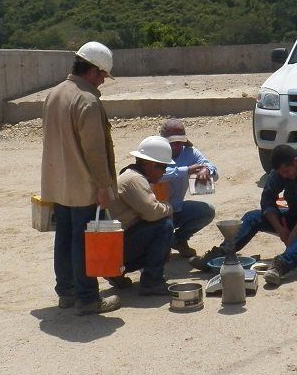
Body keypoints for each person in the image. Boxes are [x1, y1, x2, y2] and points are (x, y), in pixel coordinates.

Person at [39, 41, 120, 315]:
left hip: (59, 184)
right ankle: (87, 297)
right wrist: (102, 186)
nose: (103, 82)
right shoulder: (87, 99)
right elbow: (95, 151)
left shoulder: (54, 94)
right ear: (95, 71)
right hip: (83, 183)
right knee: (83, 240)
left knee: (64, 238)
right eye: (103, 76)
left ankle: (67, 293)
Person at [221, 144, 297, 288]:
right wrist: (281, 229)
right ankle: (223, 253)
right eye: (281, 173)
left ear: (296, 161)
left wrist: (293, 234)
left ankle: (281, 265)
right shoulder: (280, 171)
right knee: (252, 217)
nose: (285, 176)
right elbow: (267, 199)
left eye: (287, 171)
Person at [107, 136, 175, 296]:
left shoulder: (133, 176)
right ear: (149, 164)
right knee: (164, 227)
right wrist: (168, 208)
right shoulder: (134, 179)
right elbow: (152, 213)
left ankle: (117, 272)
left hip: (115, 244)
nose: (164, 172)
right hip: (115, 247)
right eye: (162, 167)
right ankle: (152, 282)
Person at [157, 118, 218, 257]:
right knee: (158, 255)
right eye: (172, 142)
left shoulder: (190, 152)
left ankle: (177, 240)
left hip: (176, 208)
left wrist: (207, 170)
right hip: (153, 213)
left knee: (206, 212)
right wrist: (187, 170)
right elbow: (157, 175)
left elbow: (211, 169)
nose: (176, 146)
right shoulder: (154, 152)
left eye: (179, 142)